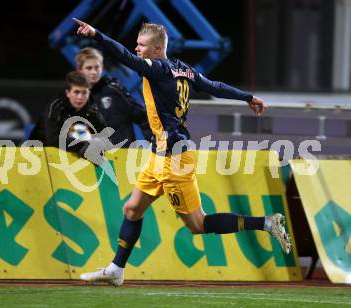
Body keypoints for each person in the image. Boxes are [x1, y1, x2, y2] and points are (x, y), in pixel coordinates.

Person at [74, 19, 292, 286]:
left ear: (156, 50)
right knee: (132, 209)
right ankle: (116, 269)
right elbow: (215, 86)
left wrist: (96, 34)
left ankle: (267, 223)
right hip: (160, 154)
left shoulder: (158, 69)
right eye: (138, 44)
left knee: (197, 225)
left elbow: (123, 55)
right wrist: (247, 97)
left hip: (174, 158)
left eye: (142, 45)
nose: (137, 48)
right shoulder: (184, 69)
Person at [76, 47, 151, 147]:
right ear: (80, 70)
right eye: (89, 68)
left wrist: (153, 144)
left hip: (126, 157)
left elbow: (143, 117)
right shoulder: (75, 99)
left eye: (97, 67)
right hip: (99, 160)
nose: (94, 72)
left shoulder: (113, 90)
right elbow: (74, 132)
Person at [30, 71, 105, 155]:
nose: (80, 97)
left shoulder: (92, 111)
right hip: (38, 155)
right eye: (76, 92)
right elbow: (53, 140)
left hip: (70, 160)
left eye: (84, 92)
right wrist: (82, 145)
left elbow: (106, 135)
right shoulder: (56, 107)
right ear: (68, 93)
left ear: (89, 93)